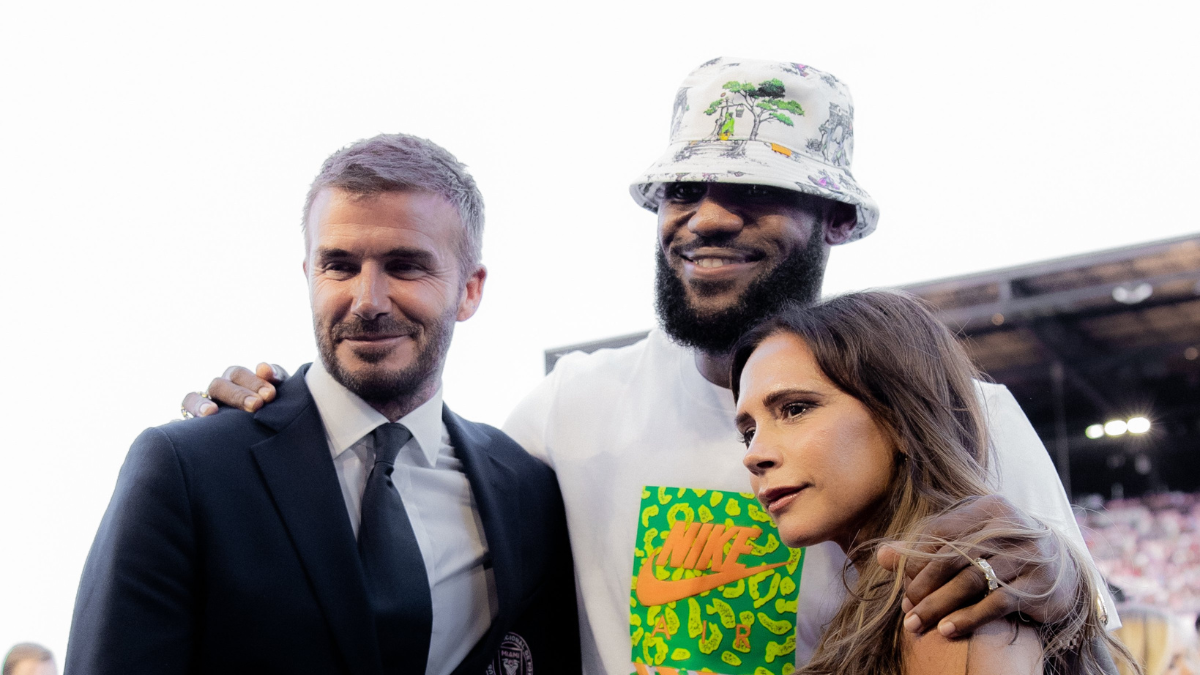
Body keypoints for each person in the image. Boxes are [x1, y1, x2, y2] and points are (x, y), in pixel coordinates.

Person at [185, 58, 1116, 674]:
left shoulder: (966, 413)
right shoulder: (570, 411)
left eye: (752, 188)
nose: (706, 216)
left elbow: (1088, 631)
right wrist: (259, 435)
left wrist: (1061, 578)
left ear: (834, 220)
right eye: (682, 189)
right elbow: (403, 494)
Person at [68, 134, 579, 675]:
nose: (367, 301)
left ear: (470, 290)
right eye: (339, 266)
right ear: (308, 275)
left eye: (405, 266)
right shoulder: (189, 470)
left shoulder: (527, 492)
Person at [730, 291, 1130, 674]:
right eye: (748, 433)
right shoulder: (898, 597)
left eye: (795, 409)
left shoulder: (953, 596)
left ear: (900, 418)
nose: (754, 455)